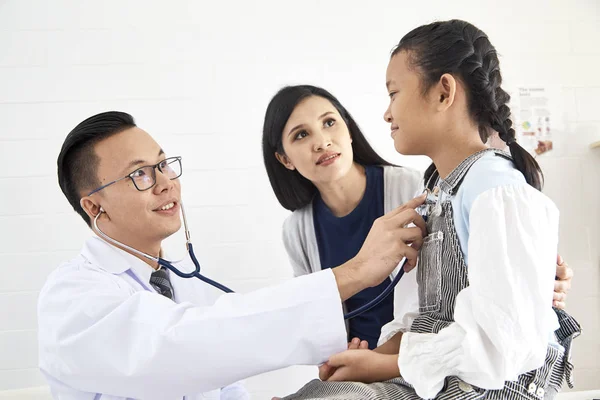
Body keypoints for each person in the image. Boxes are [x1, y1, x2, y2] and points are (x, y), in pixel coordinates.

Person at [276, 19, 581, 400]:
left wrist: (387, 365)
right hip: (431, 378)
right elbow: (422, 314)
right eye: (301, 135)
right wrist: (369, 363)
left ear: (443, 92)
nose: (387, 114)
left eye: (393, 94)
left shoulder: (494, 190)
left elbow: (506, 345)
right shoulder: (436, 191)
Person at [37, 111, 428, 399]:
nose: (165, 183)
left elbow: (223, 380)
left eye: (163, 165)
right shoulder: (72, 296)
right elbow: (180, 347)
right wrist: (354, 272)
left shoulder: (182, 285)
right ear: (94, 207)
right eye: (140, 174)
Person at [261, 85, 574, 351]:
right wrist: (338, 359)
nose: (322, 141)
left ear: (348, 129)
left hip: (420, 356)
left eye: (329, 123)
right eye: (301, 135)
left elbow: (466, 280)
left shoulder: (414, 189)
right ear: (284, 159)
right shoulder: (297, 231)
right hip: (356, 363)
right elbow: (311, 317)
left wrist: (534, 279)